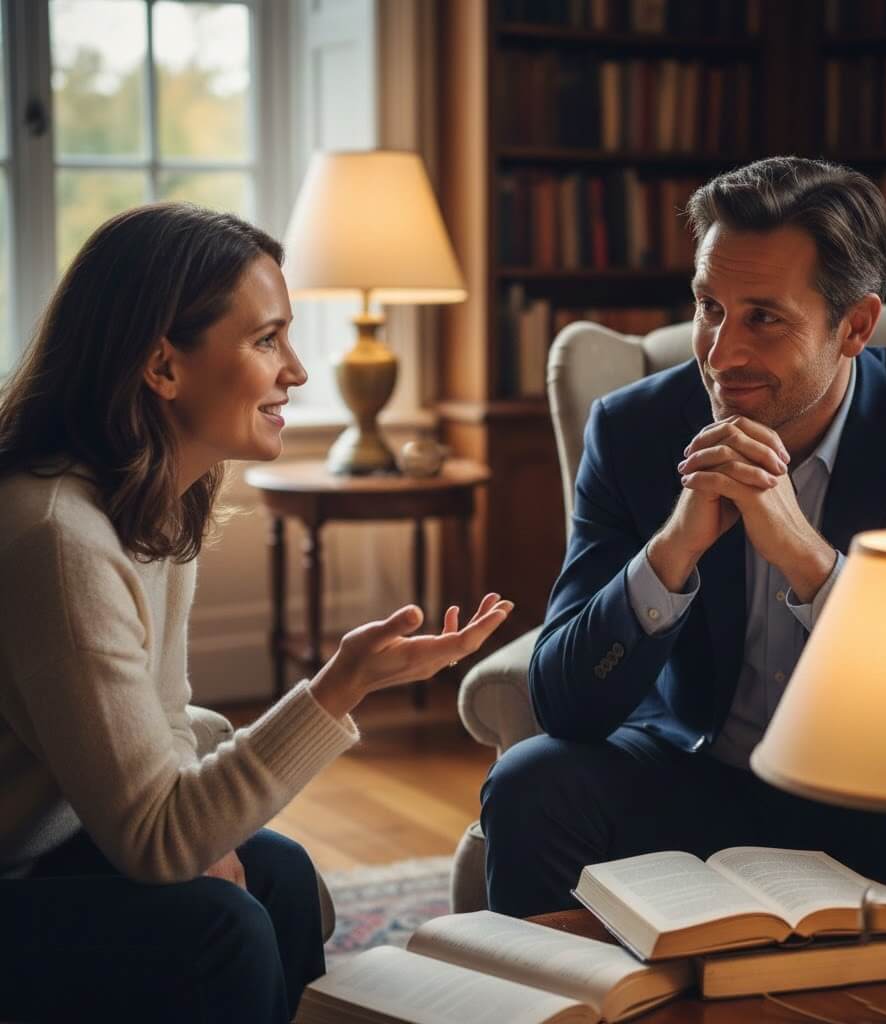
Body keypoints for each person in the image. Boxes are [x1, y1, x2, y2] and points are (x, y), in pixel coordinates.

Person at [0, 203, 512, 1023]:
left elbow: (160, 731)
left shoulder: (151, 503)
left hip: (45, 848)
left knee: (274, 869)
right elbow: (157, 838)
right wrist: (337, 689)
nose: (297, 371)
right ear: (163, 366)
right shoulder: (59, 536)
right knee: (223, 925)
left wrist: (337, 689)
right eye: (267, 340)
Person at [481, 156, 886, 919]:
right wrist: (673, 549)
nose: (721, 352)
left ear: (855, 325)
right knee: (530, 785)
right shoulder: (635, 428)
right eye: (709, 306)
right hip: (697, 773)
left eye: (763, 317)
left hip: (879, 793)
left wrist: (809, 561)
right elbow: (565, 703)